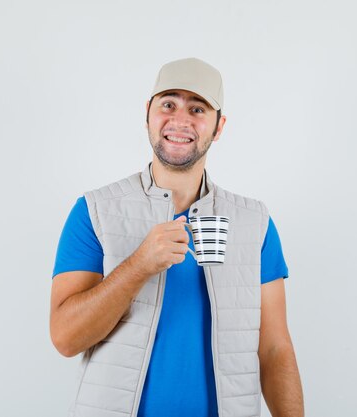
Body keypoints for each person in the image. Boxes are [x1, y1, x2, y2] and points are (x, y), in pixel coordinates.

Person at [50, 57, 304, 417]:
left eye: (197, 108)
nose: (180, 120)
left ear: (219, 127)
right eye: (168, 103)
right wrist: (138, 266)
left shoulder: (254, 223)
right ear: (148, 114)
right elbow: (65, 338)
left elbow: (275, 349)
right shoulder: (94, 211)